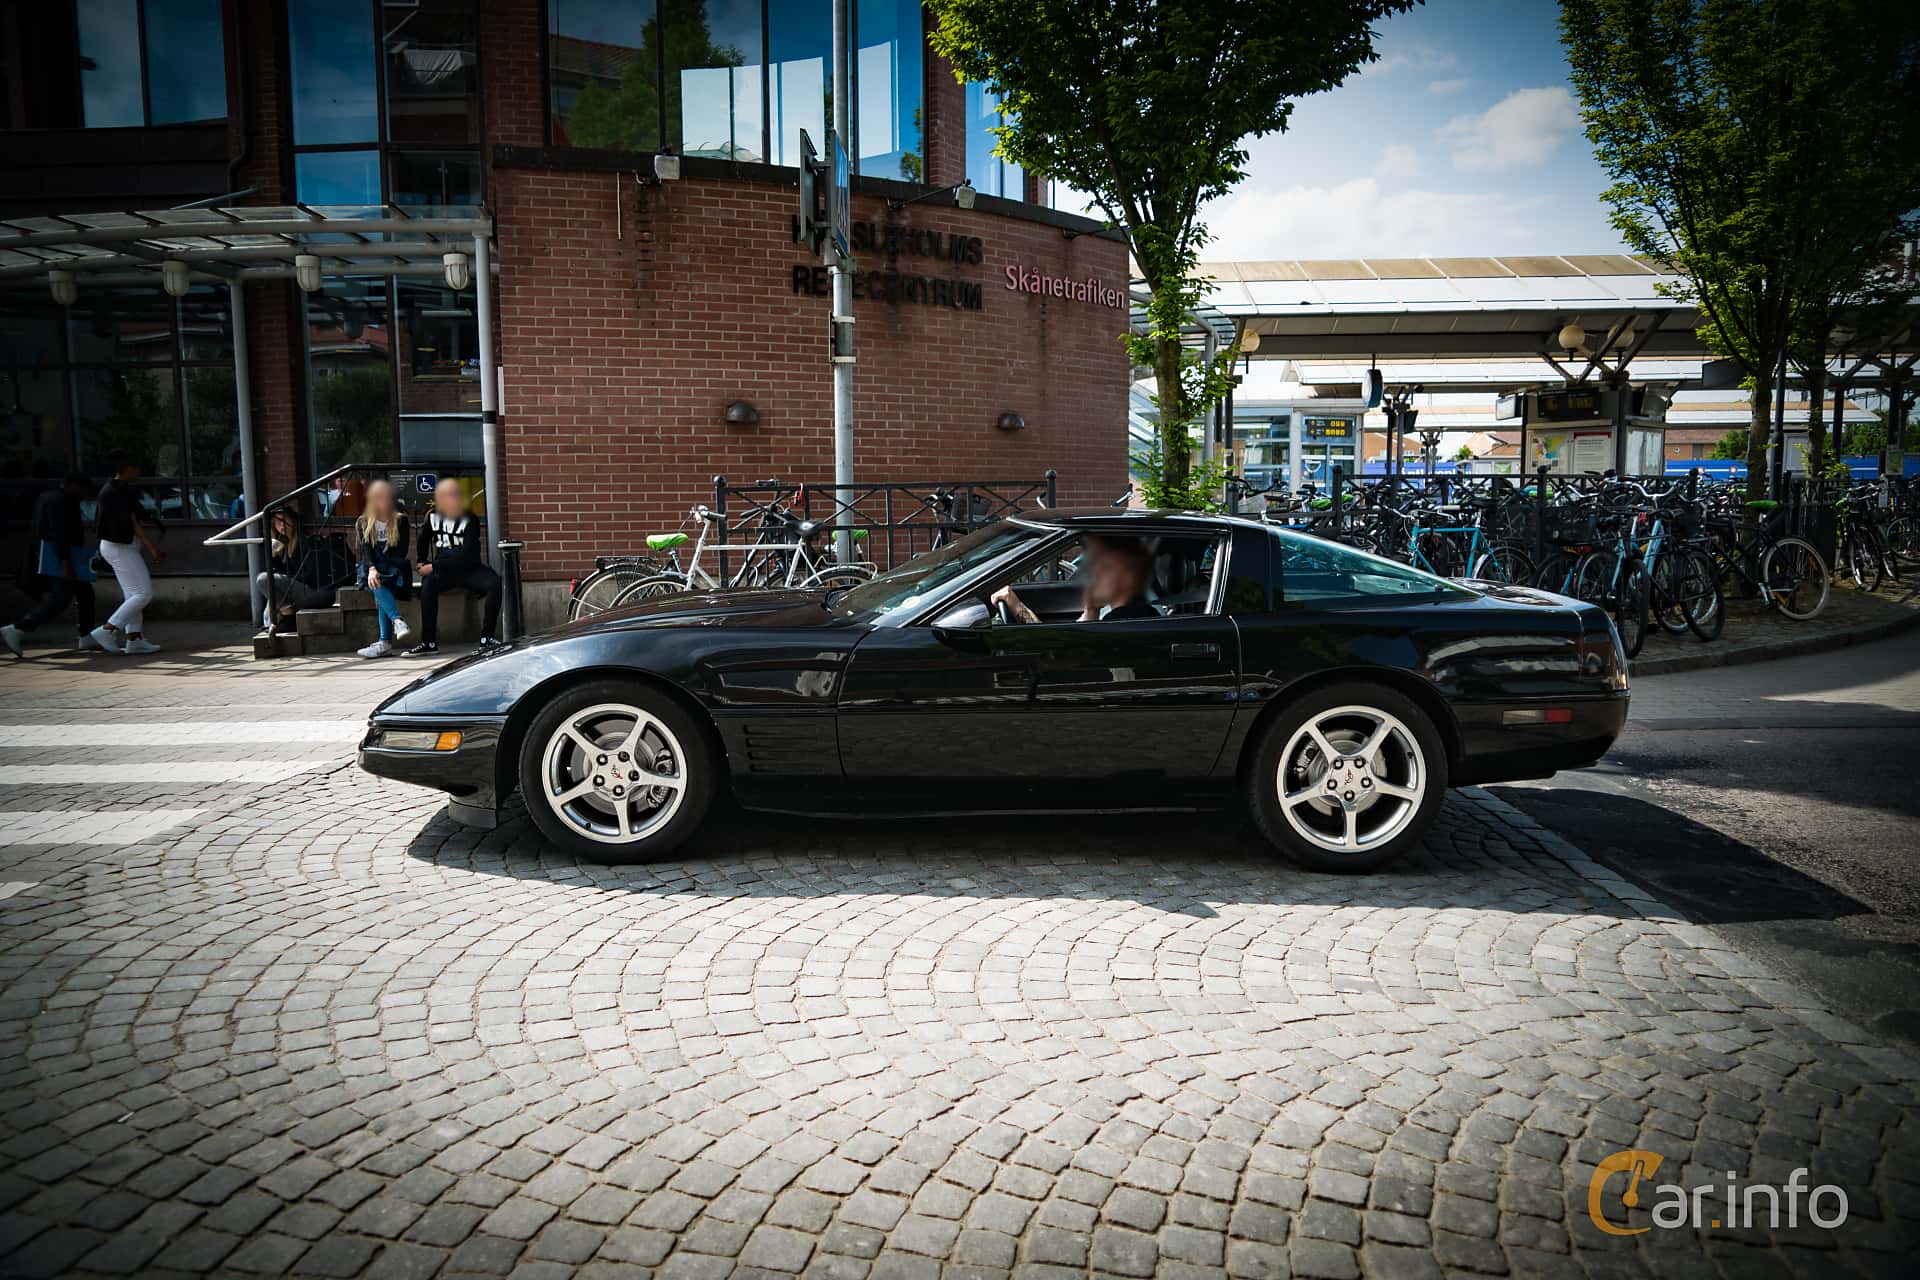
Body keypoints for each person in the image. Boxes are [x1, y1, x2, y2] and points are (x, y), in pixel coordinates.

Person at [2, 471, 102, 658]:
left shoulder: (48, 497)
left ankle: (86, 634)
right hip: (59, 557)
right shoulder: (61, 502)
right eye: (83, 490)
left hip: (57, 555)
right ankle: (18, 628)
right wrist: (65, 563)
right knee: (60, 598)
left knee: (85, 593)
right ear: (73, 485)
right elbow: (59, 533)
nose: (84, 495)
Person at [407, 478, 500, 655]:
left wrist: (433, 566)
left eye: (457, 494)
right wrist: (421, 560)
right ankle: (429, 643)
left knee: (494, 583)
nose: (454, 498)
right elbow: (423, 539)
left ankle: (486, 638)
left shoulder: (470, 519)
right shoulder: (433, 516)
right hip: (445, 572)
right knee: (428, 586)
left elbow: (467, 555)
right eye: (449, 495)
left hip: (469, 569)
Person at [991, 535, 1158, 624]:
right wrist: (1091, 610)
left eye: (1105, 568)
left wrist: (1015, 605)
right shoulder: (1109, 611)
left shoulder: (1126, 619)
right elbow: (1072, 645)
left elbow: (1061, 655)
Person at [91, 455, 164, 655]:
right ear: (127, 469)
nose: (140, 472)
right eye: (137, 468)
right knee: (143, 594)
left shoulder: (116, 489)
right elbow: (133, 524)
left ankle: (134, 639)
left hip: (117, 547)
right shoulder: (116, 492)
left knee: (133, 595)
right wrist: (152, 548)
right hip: (120, 548)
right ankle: (108, 629)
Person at [354, 479, 413, 658]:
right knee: (376, 581)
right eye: (379, 497)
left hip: (393, 568)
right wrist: (372, 568)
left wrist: (379, 570)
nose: (383, 501)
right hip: (372, 570)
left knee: (379, 586)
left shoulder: (401, 521)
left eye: (387, 497)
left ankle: (385, 643)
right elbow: (365, 552)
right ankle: (397, 621)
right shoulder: (363, 522)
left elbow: (401, 552)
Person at [255, 510, 337, 632]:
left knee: (263, 579)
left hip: (320, 592)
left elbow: (310, 575)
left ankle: (289, 618)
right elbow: (286, 573)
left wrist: (289, 580)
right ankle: (286, 618)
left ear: (292, 521)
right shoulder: (287, 543)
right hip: (309, 590)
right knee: (268, 582)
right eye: (277, 522)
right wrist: (275, 558)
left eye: (284, 521)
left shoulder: (305, 541)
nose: (281, 525)